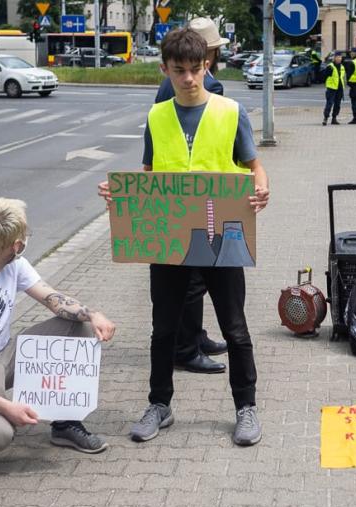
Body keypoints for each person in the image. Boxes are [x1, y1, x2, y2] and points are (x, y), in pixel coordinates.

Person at [99, 28, 270, 446]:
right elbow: (148, 176)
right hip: (170, 237)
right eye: (180, 71)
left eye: (196, 69)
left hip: (222, 235)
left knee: (235, 329)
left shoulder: (231, 111)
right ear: (165, 70)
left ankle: (245, 408)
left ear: (206, 65)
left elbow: (254, 164)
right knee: (163, 329)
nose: (189, 79)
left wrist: (262, 188)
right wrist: (122, 199)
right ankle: (160, 404)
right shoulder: (157, 116)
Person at [0, 198, 117, 455]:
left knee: (77, 327)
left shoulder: (14, 264)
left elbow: (52, 299)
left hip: (2, 353)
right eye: (25, 236)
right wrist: (5, 406)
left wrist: (92, 314)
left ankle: (65, 424)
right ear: (16, 245)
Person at [154, 17, 230, 375]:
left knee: (197, 277)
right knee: (190, 282)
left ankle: (196, 337)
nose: (189, 77)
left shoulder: (191, 81)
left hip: (201, 199)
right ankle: (186, 348)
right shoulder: (182, 89)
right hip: (187, 201)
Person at [322, 52, 346, 126]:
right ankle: (325, 118)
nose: (339, 58)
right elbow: (324, 76)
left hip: (339, 88)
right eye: (338, 57)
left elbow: (342, 78)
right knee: (329, 103)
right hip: (331, 88)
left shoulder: (342, 67)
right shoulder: (330, 67)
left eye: (340, 57)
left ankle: (334, 118)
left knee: (337, 104)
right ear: (334, 58)